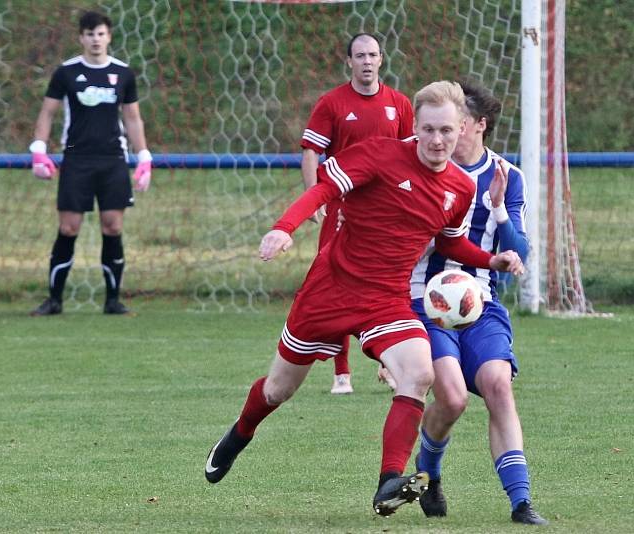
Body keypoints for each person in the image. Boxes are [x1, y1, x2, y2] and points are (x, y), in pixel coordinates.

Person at [205, 80, 525, 518]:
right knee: (278, 389)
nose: (437, 140)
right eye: (429, 129)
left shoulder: (459, 188)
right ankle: (241, 432)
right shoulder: (378, 155)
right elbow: (321, 192)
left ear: (464, 128)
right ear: (415, 125)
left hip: (387, 298)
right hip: (330, 290)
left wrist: (492, 260)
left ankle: (388, 482)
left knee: (418, 373)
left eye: (447, 131)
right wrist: (284, 227)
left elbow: (450, 243)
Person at [410, 79, 548, 525]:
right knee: (451, 400)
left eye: (455, 124)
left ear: (475, 126)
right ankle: (428, 473)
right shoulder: (421, 171)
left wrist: (500, 210)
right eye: (437, 127)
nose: (442, 135)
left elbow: (519, 252)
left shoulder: (506, 176)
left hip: (479, 304)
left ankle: (521, 502)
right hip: (424, 305)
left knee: (498, 384)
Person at [300, 32, 414, 394]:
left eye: (373, 55)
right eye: (360, 55)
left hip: (385, 209)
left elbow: (413, 156)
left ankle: (390, 363)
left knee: (386, 280)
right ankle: (341, 373)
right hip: (342, 205)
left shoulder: (399, 103)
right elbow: (310, 153)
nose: (367, 61)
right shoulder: (331, 103)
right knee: (335, 279)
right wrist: (313, 199)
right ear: (348, 61)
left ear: (382, 60)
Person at [28, 10, 152, 316]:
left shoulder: (123, 73)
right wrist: (39, 150)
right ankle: (54, 300)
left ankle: (113, 301)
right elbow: (47, 113)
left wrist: (144, 156)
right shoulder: (66, 73)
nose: (95, 39)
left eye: (100, 33)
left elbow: (133, 118)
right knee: (69, 228)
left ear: (108, 36)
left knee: (113, 226)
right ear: (80, 38)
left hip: (112, 160)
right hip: (76, 159)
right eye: (89, 34)